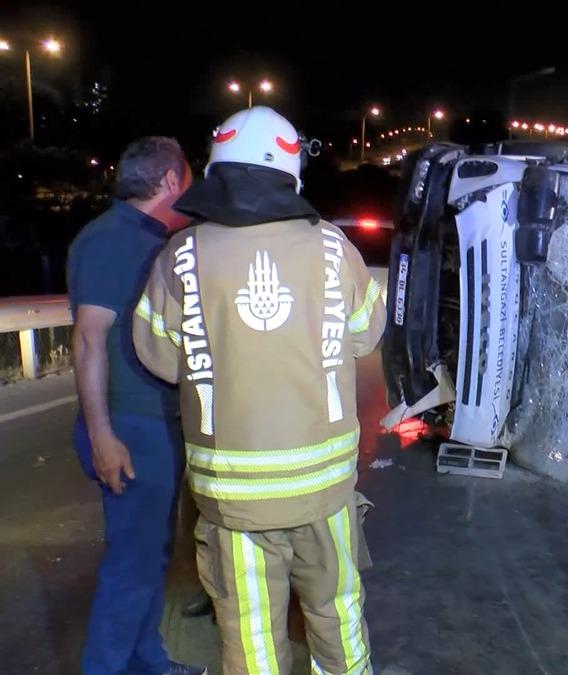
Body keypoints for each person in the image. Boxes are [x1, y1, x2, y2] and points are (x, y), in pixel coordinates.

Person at [133, 106, 384, 675]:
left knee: (250, 636)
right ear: (292, 171)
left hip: (234, 499)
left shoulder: (182, 256)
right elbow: (367, 335)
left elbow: (161, 358)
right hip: (325, 495)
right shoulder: (332, 248)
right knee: (336, 612)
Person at [68, 137, 207, 675]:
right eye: (188, 179)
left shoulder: (154, 239)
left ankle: (147, 661)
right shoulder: (111, 240)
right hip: (130, 426)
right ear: (170, 181)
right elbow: (87, 339)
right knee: (132, 563)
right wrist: (104, 436)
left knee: (151, 557)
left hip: (156, 425)